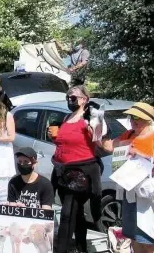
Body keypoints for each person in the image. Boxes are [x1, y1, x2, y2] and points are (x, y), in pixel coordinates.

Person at [100, 102, 154, 253]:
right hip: (129, 192)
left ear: (147, 119)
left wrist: (141, 154)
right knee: (133, 238)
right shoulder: (129, 134)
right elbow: (110, 146)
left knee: (148, 239)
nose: (132, 120)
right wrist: (97, 131)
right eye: (130, 117)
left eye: (135, 117)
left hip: (146, 196)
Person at [49, 85, 102, 253]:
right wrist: (54, 138)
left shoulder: (90, 118)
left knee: (67, 213)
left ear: (84, 99)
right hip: (62, 170)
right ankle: (81, 247)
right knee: (77, 213)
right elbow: (65, 143)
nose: (69, 101)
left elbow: (100, 139)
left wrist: (93, 126)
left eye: (73, 98)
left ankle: (62, 249)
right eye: (68, 98)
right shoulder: (66, 118)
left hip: (82, 172)